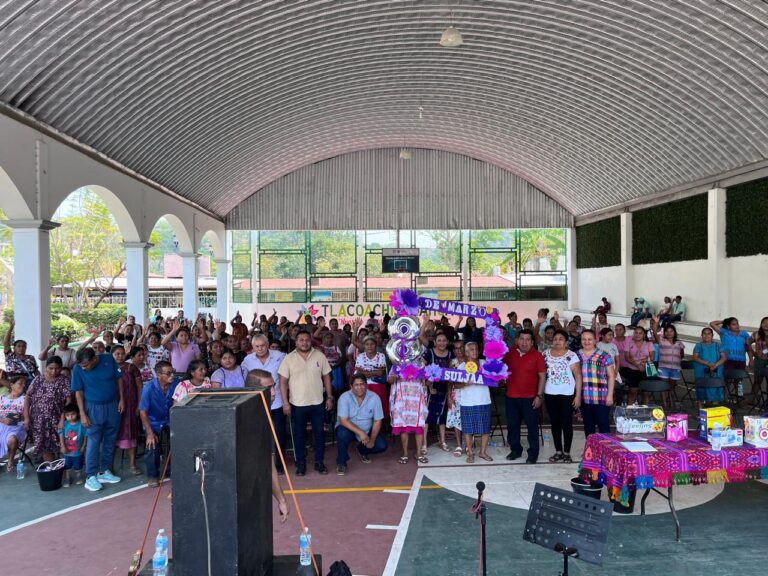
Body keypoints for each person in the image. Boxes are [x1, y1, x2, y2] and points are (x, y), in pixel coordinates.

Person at [70, 347, 125, 492]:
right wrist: (82, 413)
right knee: (94, 441)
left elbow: (119, 379)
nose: (84, 368)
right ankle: (90, 476)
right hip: (93, 408)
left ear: (95, 359)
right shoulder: (77, 369)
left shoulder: (108, 359)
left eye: (86, 365)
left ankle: (104, 471)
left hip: (112, 405)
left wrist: (122, 400)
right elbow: (78, 392)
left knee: (110, 439)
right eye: (82, 365)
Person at [279, 330, 333, 476]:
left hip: (318, 402)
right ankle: (301, 464)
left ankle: (319, 463)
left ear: (311, 341)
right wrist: (285, 403)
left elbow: (327, 377)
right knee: (299, 435)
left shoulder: (320, 356)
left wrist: (329, 397)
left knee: (319, 434)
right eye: (301, 340)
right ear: (296, 342)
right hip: (297, 404)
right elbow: (283, 381)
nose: (304, 342)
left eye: (307, 339)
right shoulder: (288, 358)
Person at [243, 369, 290, 522]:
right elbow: (268, 466)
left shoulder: (262, 411)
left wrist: (281, 499)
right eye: (268, 388)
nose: (273, 392)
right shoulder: (255, 417)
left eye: (273, 386)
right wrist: (281, 500)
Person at [242, 335, 288, 474]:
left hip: (277, 401)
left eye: (262, 345)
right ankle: (261, 463)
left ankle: (280, 464)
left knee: (279, 434)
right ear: (253, 347)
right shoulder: (247, 360)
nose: (260, 348)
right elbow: (245, 381)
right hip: (258, 403)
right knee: (259, 434)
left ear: (267, 344)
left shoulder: (281, 356)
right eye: (257, 346)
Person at [503, 329, 546, 464]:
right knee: (512, 426)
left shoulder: (537, 355)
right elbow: (498, 365)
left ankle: (533, 453)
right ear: (517, 340)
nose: (524, 342)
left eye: (528, 339)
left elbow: (542, 377)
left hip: (530, 398)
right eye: (522, 339)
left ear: (532, 342)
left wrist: (539, 396)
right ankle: (515, 450)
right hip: (511, 397)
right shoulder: (509, 352)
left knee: (532, 426)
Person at [334, 374, 387, 475]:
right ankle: (341, 462)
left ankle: (362, 451)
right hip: (348, 429)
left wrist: (372, 440)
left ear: (366, 386)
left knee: (381, 445)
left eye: (362, 384)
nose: (359, 387)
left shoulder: (375, 398)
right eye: (356, 385)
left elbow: (377, 421)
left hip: (367, 430)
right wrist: (361, 433)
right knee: (342, 433)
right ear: (351, 387)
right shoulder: (344, 397)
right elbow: (343, 420)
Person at [543, 330, 581, 463]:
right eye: (555, 339)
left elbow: (578, 376)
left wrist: (578, 396)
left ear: (566, 342)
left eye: (560, 339)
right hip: (550, 393)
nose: (557, 341)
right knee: (555, 423)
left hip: (567, 394)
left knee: (567, 423)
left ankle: (567, 452)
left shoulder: (571, 355)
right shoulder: (545, 354)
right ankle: (558, 451)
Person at [25, 356, 70, 463]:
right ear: (46, 367)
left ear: (61, 368)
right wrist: (26, 417)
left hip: (57, 419)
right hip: (39, 420)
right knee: (45, 447)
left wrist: (63, 419)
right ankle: (51, 471)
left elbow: (68, 401)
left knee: (61, 445)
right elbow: (28, 397)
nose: (54, 371)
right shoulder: (38, 379)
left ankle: (62, 472)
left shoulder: (64, 380)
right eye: (51, 368)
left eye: (57, 368)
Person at [139, 361, 175, 487]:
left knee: (176, 441)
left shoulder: (175, 384)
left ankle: (172, 470)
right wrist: (149, 433)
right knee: (152, 444)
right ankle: (152, 475)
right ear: (158, 374)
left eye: (173, 372)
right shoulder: (148, 388)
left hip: (170, 420)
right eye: (168, 373)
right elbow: (143, 412)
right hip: (153, 422)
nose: (172, 375)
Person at [112, 345, 143, 476]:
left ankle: (132, 464)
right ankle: (109, 466)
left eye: (122, 353)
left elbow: (140, 387)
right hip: (113, 406)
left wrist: (139, 405)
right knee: (112, 435)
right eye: (117, 354)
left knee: (131, 434)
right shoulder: (108, 368)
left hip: (130, 405)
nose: (120, 356)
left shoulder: (132, 367)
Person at [459, 342, 493, 463]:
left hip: (484, 400)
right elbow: (455, 384)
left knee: (485, 428)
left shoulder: (484, 364)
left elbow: (494, 378)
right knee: (468, 429)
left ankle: (482, 452)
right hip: (467, 402)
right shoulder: (461, 367)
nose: (474, 351)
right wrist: (464, 383)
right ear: (466, 352)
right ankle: (470, 453)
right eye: (471, 349)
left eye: (476, 349)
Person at [389, 364, 429, 465]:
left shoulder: (421, 363)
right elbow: (389, 380)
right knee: (404, 426)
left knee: (419, 426)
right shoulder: (397, 364)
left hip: (416, 397)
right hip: (402, 399)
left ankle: (419, 453)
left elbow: (427, 381)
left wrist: (430, 376)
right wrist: (395, 375)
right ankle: (405, 453)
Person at [578, 330, 615, 436]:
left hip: (601, 397)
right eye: (584, 339)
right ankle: (590, 452)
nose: (587, 342)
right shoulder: (576, 355)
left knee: (603, 426)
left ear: (595, 341)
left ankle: (607, 452)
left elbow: (611, 376)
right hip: (584, 398)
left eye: (589, 339)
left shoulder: (604, 355)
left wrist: (610, 395)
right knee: (588, 427)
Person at [422, 332, 454, 454]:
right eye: (439, 340)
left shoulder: (451, 354)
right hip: (431, 389)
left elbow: (452, 373)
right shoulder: (429, 353)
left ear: (447, 342)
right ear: (435, 342)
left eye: (444, 340)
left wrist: (449, 391)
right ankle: (424, 444)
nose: (442, 343)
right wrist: (428, 385)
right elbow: (422, 369)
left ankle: (443, 441)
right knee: (426, 417)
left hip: (444, 388)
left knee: (442, 417)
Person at [710, 317, 753, 399]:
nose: (737, 326)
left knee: (739, 381)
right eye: (733, 324)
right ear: (728, 326)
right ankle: (725, 398)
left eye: (737, 323)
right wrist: (724, 321)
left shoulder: (744, 334)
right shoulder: (724, 332)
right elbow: (712, 323)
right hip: (728, 360)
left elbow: (748, 348)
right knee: (727, 381)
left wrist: (751, 360)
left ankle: (739, 398)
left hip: (741, 361)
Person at [650, 317, 685, 406]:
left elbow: (682, 354)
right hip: (664, 367)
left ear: (674, 333)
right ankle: (665, 404)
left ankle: (670, 401)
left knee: (671, 387)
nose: (669, 333)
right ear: (664, 333)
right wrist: (656, 323)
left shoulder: (679, 343)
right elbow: (654, 331)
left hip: (675, 368)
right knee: (663, 386)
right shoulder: (661, 341)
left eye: (671, 331)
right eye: (667, 331)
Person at [354, 336, 389, 418]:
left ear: (376, 345)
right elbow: (359, 372)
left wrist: (365, 372)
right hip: (364, 385)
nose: (369, 346)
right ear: (364, 346)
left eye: (372, 344)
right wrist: (374, 372)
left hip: (377, 384)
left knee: (378, 409)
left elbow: (381, 372)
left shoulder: (381, 356)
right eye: (367, 344)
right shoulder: (360, 356)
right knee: (365, 410)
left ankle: (379, 426)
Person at [692, 327, 727, 408]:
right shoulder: (698, 345)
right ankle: (701, 409)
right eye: (704, 333)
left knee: (715, 387)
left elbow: (724, 357)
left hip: (716, 369)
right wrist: (708, 364)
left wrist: (715, 365)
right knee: (701, 388)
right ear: (701, 335)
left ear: (712, 335)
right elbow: (695, 357)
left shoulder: (718, 345)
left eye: (709, 333)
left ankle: (714, 408)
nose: (706, 335)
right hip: (701, 370)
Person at [0, 377, 28, 471]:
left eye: (24, 384)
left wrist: (18, 417)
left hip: (16, 427)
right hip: (1, 425)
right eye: (20, 383)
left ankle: (10, 460)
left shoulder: (25, 399)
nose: (23, 386)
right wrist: (3, 420)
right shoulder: (1, 398)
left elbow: (27, 417)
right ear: (12, 385)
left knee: (12, 438)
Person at [623, 326, 656, 405]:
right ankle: (629, 411)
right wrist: (637, 365)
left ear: (644, 335)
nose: (638, 335)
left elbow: (652, 357)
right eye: (636, 333)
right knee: (632, 391)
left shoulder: (649, 344)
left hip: (646, 369)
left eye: (640, 333)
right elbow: (627, 357)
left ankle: (645, 412)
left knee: (646, 392)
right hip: (632, 370)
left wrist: (643, 363)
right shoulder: (629, 343)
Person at [3, 320, 40, 384]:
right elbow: (6, 342)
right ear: (14, 348)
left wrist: (40, 380)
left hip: (29, 383)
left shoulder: (31, 357)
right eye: (19, 346)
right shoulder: (10, 355)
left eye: (23, 346)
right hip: (14, 383)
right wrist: (11, 327)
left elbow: (36, 371)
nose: (21, 348)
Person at [59, 402, 86, 486]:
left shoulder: (81, 424)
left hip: (78, 449)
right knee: (67, 465)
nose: (70, 417)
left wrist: (83, 446)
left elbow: (86, 435)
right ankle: (67, 478)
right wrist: (63, 446)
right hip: (67, 450)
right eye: (67, 415)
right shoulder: (64, 424)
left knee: (78, 464)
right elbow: (61, 435)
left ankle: (78, 476)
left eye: (72, 414)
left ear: (77, 413)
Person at [446, 341, 466, 456]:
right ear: (454, 351)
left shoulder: (471, 361)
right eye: (456, 348)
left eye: (461, 348)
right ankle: (459, 445)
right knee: (457, 419)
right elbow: (449, 382)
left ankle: (468, 444)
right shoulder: (452, 363)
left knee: (468, 418)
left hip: (469, 393)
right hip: (456, 394)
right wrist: (449, 396)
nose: (459, 350)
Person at [752, 317, 768, 398]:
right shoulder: (756, 334)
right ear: (761, 324)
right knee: (757, 381)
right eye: (764, 322)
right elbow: (747, 344)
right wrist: (753, 353)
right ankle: (752, 400)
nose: (766, 325)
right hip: (759, 360)